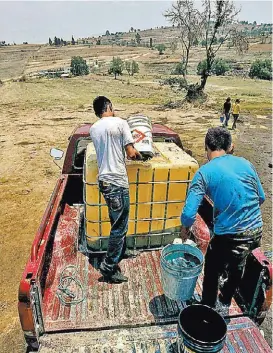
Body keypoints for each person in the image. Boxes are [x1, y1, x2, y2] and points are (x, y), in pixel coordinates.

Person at [181, 127, 265, 313]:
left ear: (206, 147)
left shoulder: (204, 173)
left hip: (229, 235)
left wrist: (185, 229)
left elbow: (188, 214)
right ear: (229, 147)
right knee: (238, 264)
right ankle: (225, 301)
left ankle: (208, 306)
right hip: (256, 230)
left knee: (212, 268)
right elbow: (261, 197)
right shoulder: (245, 163)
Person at [90, 96, 141, 283]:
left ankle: (122, 250)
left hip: (104, 181)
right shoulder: (120, 123)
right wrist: (140, 154)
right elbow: (130, 153)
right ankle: (109, 267)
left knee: (116, 221)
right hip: (117, 181)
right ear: (110, 106)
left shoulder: (93, 129)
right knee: (119, 226)